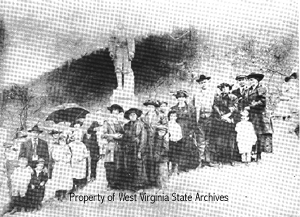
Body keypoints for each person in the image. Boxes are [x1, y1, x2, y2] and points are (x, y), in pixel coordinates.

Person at [244, 72, 274, 161]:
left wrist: (251, 106)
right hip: (251, 115)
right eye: (249, 80)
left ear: (257, 81)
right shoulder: (248, 90)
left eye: (252, 80)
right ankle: (252, 154)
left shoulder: (261, 89)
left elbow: (262, 101)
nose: (250, 82)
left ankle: (259, 155)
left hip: (259, 115)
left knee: (260, 134)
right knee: (251, 134)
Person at [170, 90, 199, 172]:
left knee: (187, 147)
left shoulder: (191, 108)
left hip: (187, 130)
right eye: (179, 97)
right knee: (177, 148)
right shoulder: (173, 108)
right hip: (176, 130)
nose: (181, 99)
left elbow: (193, 121)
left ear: (185, 98)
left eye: (182, 97)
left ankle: (186, 166)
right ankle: (176, 166)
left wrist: (192, 131)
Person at [140, 99, 167, 186]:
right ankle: (147, 181)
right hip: (146, 141)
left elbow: (166, 127)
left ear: (155, 108)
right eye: (148, 107)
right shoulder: (143, 117)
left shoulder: (161, 116)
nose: (150, 108)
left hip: (157, 141)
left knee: (156, 159)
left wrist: (159, 129)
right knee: (147, 159)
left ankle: (156, 181)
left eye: (152, 107)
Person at [210, 83, 238, 167]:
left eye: (226, 88)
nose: (224, 89)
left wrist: (228, 116)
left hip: (230, 122)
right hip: (220, 122)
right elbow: (215, 107)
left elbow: (235, 108)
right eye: (223, 88)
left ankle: (231, 159)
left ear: (229, 89)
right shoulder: (217, 97)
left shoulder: (233, 97)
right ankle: (220, 160)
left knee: (231, 142)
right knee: (220, 142)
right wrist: (221, 116)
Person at [194, 75, 217, 168]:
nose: (203, 84)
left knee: (209, 140)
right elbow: (197, 108)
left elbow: (215, 106)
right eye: (201, 83)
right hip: (202, 119)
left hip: (210, 118)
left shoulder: (212, 93)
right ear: (199, 84)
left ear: (208, 83)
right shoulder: (197, 94)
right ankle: (201, 160)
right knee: (200, 141)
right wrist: (197, 121)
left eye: (205, 82)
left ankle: (209, 160)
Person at [122, 108, 148, 191]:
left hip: (137, 148)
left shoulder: (140, 124)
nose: (132, 116)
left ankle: (139, 186)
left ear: (137, 116)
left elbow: (143, 138)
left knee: (138, 166)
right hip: (128, 148)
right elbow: (124, 137)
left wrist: (140, 151)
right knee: (129, 166)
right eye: (130, 115)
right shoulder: (126, 125)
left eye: (134, 115)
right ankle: (132, 185)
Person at [102, 104, 125, 189]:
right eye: (114, 112)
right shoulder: (107, 122)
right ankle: (110, 183)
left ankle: (117, 183)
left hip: (119, 146)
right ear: (111, 113)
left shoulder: (120, 123)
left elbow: (123, 133)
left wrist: (121, 136)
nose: (115, 114)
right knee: (109, 165)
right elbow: (103, 135)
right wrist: (113, 136)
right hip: (110, 146)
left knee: (118, 164)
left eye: (117, 113)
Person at [108, 23, 135, 90]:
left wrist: (131, 51)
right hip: (118, 50)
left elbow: (132, 41)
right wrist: (111, 51)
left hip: (126, 50)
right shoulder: (114, 31)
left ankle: (126, 86)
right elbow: (111, 41)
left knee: (126, 68)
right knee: (118, 68)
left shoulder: (129, 30)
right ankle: (119, 86)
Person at [51, 133, 73, 201]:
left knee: (64, 181)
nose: (62, 142)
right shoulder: (56, 147)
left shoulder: (67, 147)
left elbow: (69, 155)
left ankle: (63, 195)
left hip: (65, 166)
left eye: (64, 141)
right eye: (61, 141)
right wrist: (57, 158)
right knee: (58, 180)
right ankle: (57, 195)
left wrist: (66, 159)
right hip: (58, 165)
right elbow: (53, 155)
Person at [153, 126, 169, 191]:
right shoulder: (156, 139)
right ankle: (159, 186)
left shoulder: (165, 139)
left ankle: (164, 186)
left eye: (163, 132)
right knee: (158, 172)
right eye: (160, 132)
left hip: (162, 158)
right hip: (157, 158)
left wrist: (159, 154)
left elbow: (166, 149)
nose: (161, 133)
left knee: (163, 173)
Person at [167, 110, 183, 175]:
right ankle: (168, 170)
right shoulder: (167, 124)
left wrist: (176, 140)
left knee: (175, 156)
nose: (172, 117)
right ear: (169, 116)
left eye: (174, 116)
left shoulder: (178, 126)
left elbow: (180, 135)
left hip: (176, 142)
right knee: (168, 157)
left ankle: (175, 170)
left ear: (176, 117)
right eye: (171, 116)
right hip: (169, 143)